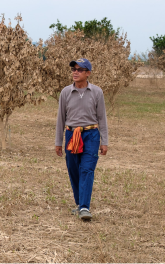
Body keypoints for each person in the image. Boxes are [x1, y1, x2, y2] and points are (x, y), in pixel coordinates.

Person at [54, 58, 109, 221]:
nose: (75, 72)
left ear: (88, 73)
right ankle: (79, 204)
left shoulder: (97, 92)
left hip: (91, 135)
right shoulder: (65, 92)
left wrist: (104, 141)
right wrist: (58, 141)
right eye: (73, 69)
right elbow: (60, 119)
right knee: (74, 170)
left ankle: (85, 207)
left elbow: (102, 118)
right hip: (72, 135)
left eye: (79, 69)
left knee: (87, 169)